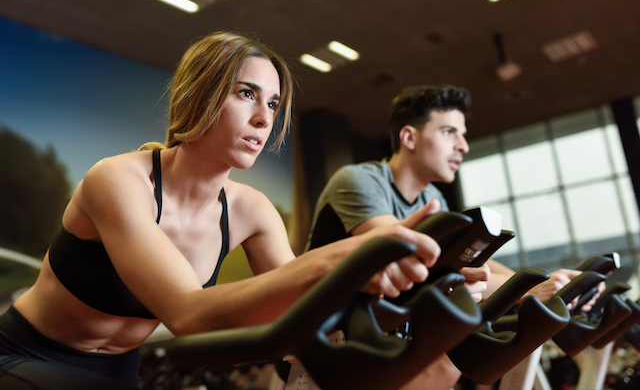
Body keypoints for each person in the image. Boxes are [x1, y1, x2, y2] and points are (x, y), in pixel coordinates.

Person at [0, 32, 442, 389]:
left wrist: (411, 288)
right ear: (198, 95)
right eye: (246, 93)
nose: (264, 118)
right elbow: (188, 315)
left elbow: (302, 311)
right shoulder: (117, 181)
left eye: (271, 103)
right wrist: (351, 253)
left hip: (119, 373)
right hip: (26, 356)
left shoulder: (252, 210)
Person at [305, 84, 597, 389]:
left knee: (455, 353)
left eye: (462, 134)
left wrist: (542, 285)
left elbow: (472, 258)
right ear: (409, 137)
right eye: (449, 132)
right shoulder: (359, 181)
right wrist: (528, 291)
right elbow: (413, 266)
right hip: (326, 334)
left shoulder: (432, 199)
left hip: (385, 327)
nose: (463, 146)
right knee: (447, 357)